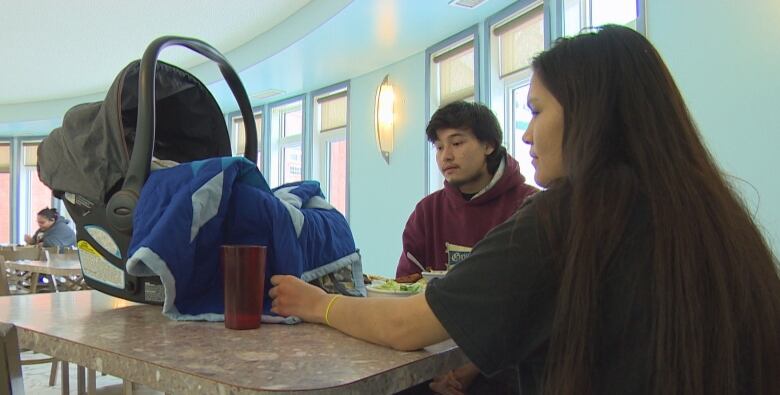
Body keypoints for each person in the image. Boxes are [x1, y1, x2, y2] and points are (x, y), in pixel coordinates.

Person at [268, 25, 780, 395]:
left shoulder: (566, 218)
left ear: (589, 112)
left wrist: (318, 304)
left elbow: (407, 327)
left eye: (536, 110)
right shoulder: (722, 222)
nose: (527, 133)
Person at [396, 101, 537, 278]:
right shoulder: (428, 211)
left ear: (488, 145)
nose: (446, 156)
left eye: (456, 143)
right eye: (439, 147)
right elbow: (405, 283)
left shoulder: (530, 206)